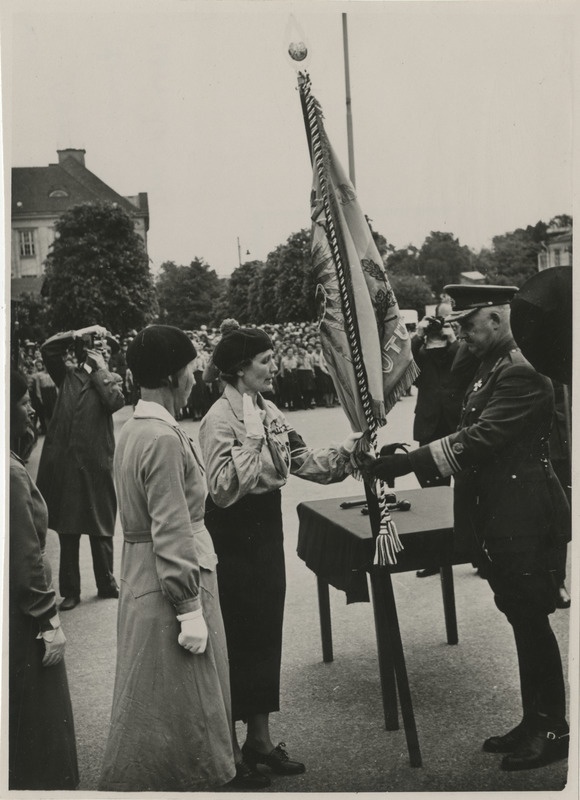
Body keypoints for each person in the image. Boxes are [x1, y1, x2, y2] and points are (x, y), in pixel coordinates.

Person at [361, 285, 570, 772]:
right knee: (520, 615)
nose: (461, 337)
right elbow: (455, 389)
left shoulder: (520, 372)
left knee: (532, 620)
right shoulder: (491, 365)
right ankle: (533, 718)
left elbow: (482, 436)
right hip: (502, 513)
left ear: (498, 321)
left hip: (524, 516)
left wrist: (409, 463)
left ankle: (553, 727)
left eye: (469, 326)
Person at [199, 327, 361, 778]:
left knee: (265, 633)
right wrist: (250, 440)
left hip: (265, 532)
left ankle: (260, 741)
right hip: (231, 536)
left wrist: (349, 452)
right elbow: (224, 490)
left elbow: (304, 459)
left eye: (273, 358)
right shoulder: (219, 418)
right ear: (239, 368)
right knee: (236, 638)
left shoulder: (266, 408)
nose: (274, 367)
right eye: (266, 360)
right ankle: (229, 754)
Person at [99, 325, 255, 791]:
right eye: (189, 370)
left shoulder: (137, 426)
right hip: (175, 577)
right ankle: (198, 778)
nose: (194, 380)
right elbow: (171, 526)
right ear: (171, 375)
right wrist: (189, 609)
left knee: (158, 695)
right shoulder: (163, 437)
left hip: (145, 573)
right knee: (187, 698)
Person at [9, 371, 79, 790]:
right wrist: (48, 621)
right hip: (22, 621)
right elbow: (26, 558)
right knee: (41, 729)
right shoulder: (10, 474)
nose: (31, 407)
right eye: (21, 403)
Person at [36, 325, 125, 610]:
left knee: (100, 526)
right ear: (82, 352)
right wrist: (75, 333)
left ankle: (107, 582)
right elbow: (48, 349)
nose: (104, 353)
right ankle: (71, 591)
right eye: (98, 348)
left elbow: (115, 402)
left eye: (105, 350)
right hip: (69, 465)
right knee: (69, 528)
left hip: (97, 463)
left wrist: (100, 370)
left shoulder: (111, 379)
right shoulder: (66, 376)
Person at [411, 313, 478, 577]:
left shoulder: (455, 351)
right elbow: (405, 368)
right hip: (429, 424)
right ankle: (435, 557)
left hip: (456, 424)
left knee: (467, 489)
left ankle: (475, 554)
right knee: (430, 495)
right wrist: (418, 336)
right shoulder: (421, 354)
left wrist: (451, 339)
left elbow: (465, 362)